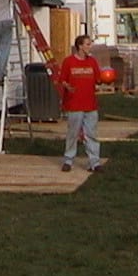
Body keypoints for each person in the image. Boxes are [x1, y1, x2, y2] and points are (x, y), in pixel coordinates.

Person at [58, 34, 103, 173]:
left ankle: (94, 162)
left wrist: (104, 79)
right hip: (75, 104)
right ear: (80, 46)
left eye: (90, 44)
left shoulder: (92, 62)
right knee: (73, 133)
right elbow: (62, 79)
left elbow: (98, 79)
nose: (90, 47)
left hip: (90, 104)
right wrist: (67, 86)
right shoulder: (69, 62)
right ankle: (68, 160)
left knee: (92, 134)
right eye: (88, 44)